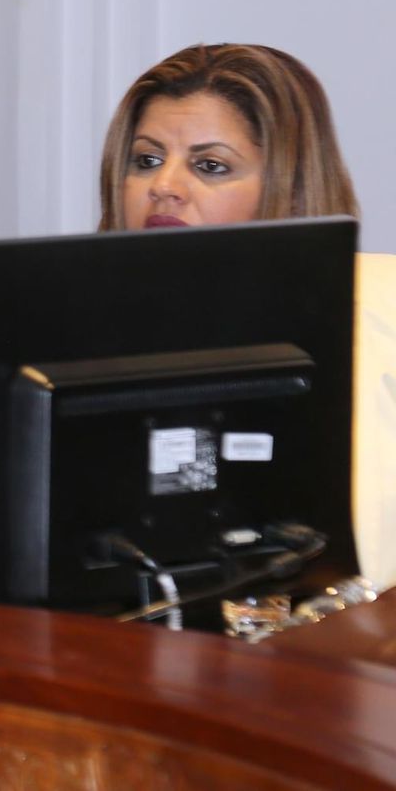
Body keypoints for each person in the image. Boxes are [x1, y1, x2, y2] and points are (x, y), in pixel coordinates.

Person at [98, 42, 395, 587]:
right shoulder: (72, 330)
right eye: (147, 160)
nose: (164, 187)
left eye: (209, 166)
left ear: (289, 187)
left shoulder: (383, 311)